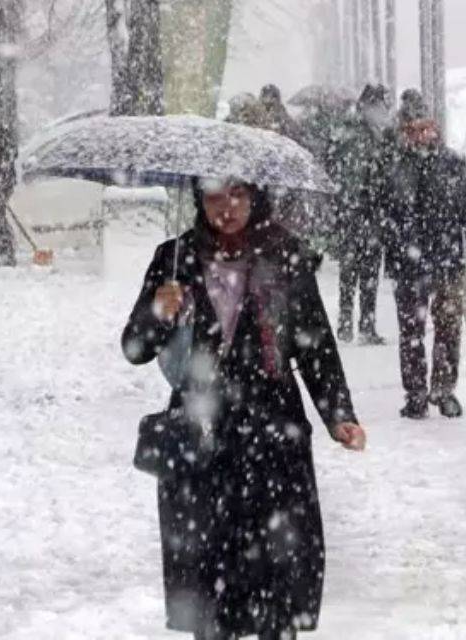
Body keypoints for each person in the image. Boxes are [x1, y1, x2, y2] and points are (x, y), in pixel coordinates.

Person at [122, 178, 366, 640]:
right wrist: (157, 310)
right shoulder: (175, 260)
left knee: (279, 567)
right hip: (201, 434)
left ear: (256, 197)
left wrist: (339, 415)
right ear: (199, 200)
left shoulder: (285, 255)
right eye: (215, 196)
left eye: (238, 194)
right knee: (208, 571)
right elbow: (134, 349)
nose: (227, 208)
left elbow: (315, 345)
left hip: (273, 433)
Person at [384, 89, 466, 420]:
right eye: (413, 130)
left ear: (435, 128)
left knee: (448, 327)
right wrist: (396, 249)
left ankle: (443, 390)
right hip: (409, 264)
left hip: (446, 258)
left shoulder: (452, 162)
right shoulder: (396, 165)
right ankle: (415, 392)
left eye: (425, 127)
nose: (420, 136)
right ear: (404, 133)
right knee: (411, 331)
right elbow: (385, 214)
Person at [331, 84, 393, 344]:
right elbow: (353, 174)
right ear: (368, 106)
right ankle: (355, 325)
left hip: (361, 210)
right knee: (357, 269)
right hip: (358, 209)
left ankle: (358, 324)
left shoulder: (366, 132)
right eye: (380, 107)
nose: (383, 112)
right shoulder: (358, 134)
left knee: (362, 269)